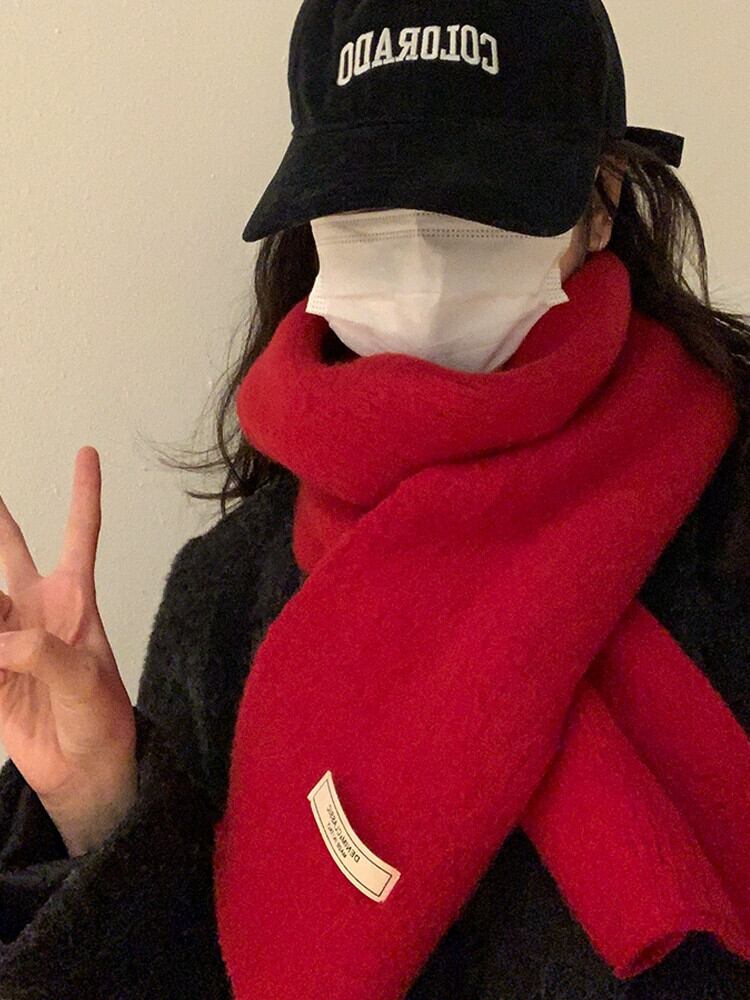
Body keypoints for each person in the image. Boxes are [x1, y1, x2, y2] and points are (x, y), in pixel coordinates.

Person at [1, 1, 749, 998]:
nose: (421, 277)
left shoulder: (729, 509)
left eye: (473, 216)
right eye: (367, 224)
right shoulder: (229, 593)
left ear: (601, 198)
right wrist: (100, 801)